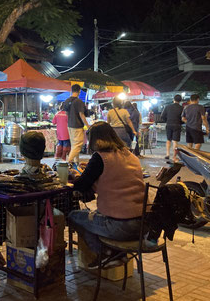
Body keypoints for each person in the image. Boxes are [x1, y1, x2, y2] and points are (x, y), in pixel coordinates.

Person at [68, 121, 145, 264]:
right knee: (94, 214)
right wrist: (90, 169)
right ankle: (117, 253)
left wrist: (75, 174)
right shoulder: (130, 155)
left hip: (119, 226)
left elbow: (81, 185)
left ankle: (106, 253)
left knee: (74, 216)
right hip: (142, 225)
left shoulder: (100, 157)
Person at [63, 84, 89, 163]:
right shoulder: (79, 101)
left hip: (70, 126)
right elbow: (81, 114)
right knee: (78, 146)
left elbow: (67, 113)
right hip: (77, 126)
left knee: (74, 145)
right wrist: (88, 126)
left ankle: (76, 163)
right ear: (79, 91)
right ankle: (68, 162)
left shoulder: (67, 101)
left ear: (71, 91)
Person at [161, 94, 183, 161]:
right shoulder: (182, 108)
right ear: (180, 100)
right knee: (175, 141)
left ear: (174, 99)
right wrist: (180, 122)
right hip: (177, 125)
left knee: (168, 140)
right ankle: (174, 156)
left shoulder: (167, 107)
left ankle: (167, 154)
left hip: (169, 124)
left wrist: (167, 120)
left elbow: (162, 116)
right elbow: (183, 118)